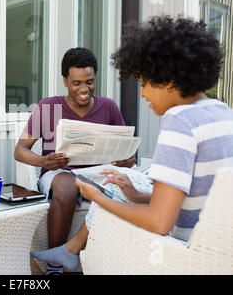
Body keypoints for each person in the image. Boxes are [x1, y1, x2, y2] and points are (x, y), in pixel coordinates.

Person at [30, 15, 233, 271]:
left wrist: (98, 199)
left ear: (168, 80)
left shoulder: (179, 121)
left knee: (109, 195)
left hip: (180, 253)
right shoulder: (223, 112)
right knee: (120, 186)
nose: (143, 94)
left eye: (143, 83)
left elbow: (159, 222)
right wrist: (138, 196)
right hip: (217, 249)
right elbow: (199, 194)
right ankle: (67, 253)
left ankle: (70, 254)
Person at [14, 47, 135, 275]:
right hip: (58, 175)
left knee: (128, 184)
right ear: (65, 81)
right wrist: (44, 161)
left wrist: (127, 161)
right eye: (76, 83)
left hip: (97, 174)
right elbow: (20, 150)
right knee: (68, 184)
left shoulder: (108, 107)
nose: (84, 89)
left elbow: (128, 152)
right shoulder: (48, 106)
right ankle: (54, 264)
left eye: (89, 82)